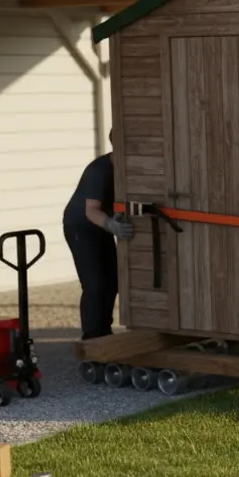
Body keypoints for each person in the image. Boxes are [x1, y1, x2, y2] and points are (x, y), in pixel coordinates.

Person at [62, 132, 134, 340]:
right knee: (94, 283)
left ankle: (105, 330)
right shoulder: (99, 170)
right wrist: (111, 224)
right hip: (81, 227)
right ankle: (92, 336)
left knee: (112, 280)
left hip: (102, 227)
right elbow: (91, 210)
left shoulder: (127, 169)